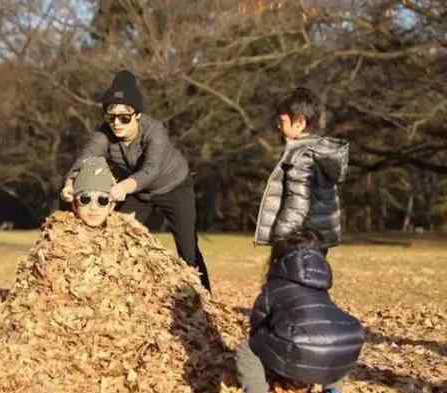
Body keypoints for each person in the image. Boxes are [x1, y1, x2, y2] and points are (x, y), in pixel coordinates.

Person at [61, 70, 211, 291]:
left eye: (124, 117)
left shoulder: (154, 131)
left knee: (188, 248)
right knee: (118, 235)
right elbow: (87, 158)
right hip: (138, 193)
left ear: (137, 115)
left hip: (173, 186)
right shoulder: (104, 134)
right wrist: (70, 183)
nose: (117, 123)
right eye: (111, 117)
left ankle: (203, 299)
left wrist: (125, 186)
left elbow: (151, 169)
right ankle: (120, 291)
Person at [235, 231, 365, 393]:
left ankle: (258, 390)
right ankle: (333, 390)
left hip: (298, 347)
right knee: (331, 345)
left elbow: (257, 325)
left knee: (248, 349)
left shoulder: (274, 287)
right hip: (345, 344)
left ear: (277, 260)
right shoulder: (321, 286)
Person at [254, 87, 349, 256]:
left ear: (299, 123)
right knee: (313, 278)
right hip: (319, 237)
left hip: (299, 239)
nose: (278, 126)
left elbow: (297, 202)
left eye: (281, 121)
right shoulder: (321, 153)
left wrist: (281, 238)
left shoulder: (301, 157)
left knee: (291, 280)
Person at [71, 156, 117, 228]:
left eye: (102, 200)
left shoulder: (130, 236)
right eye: (85, 199)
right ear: (74, 205)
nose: (93, 208)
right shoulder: (55, 235)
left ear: (112, 206)